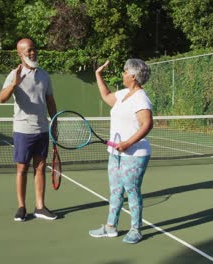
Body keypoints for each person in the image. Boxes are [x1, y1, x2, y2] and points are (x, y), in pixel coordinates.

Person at [89, 59, 153, 244]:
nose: (123, 74)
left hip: (134, 155)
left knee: (132, 191)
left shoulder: (141, 98)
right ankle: (110, 227)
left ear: (133, 76)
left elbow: (147, 124)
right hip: (115, 153)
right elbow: (107, 96)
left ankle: (136, 229)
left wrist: (127, 143)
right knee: (115, 191)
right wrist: (98, 75)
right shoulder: (125, 93)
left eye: (125, 72)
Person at [0, 38, 58, 222]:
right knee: (22, 169)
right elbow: (1, 98)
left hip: (41, 129)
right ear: (20, 53)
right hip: (22, 130)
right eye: (28, 51)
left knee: (40, 168)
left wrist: (54, 123)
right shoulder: (14, 74)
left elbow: (50, 101)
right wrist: (14, 84)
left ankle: (40, 207)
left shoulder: (44, 75)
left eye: (34, 49)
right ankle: (21, 207)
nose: (33, 53)